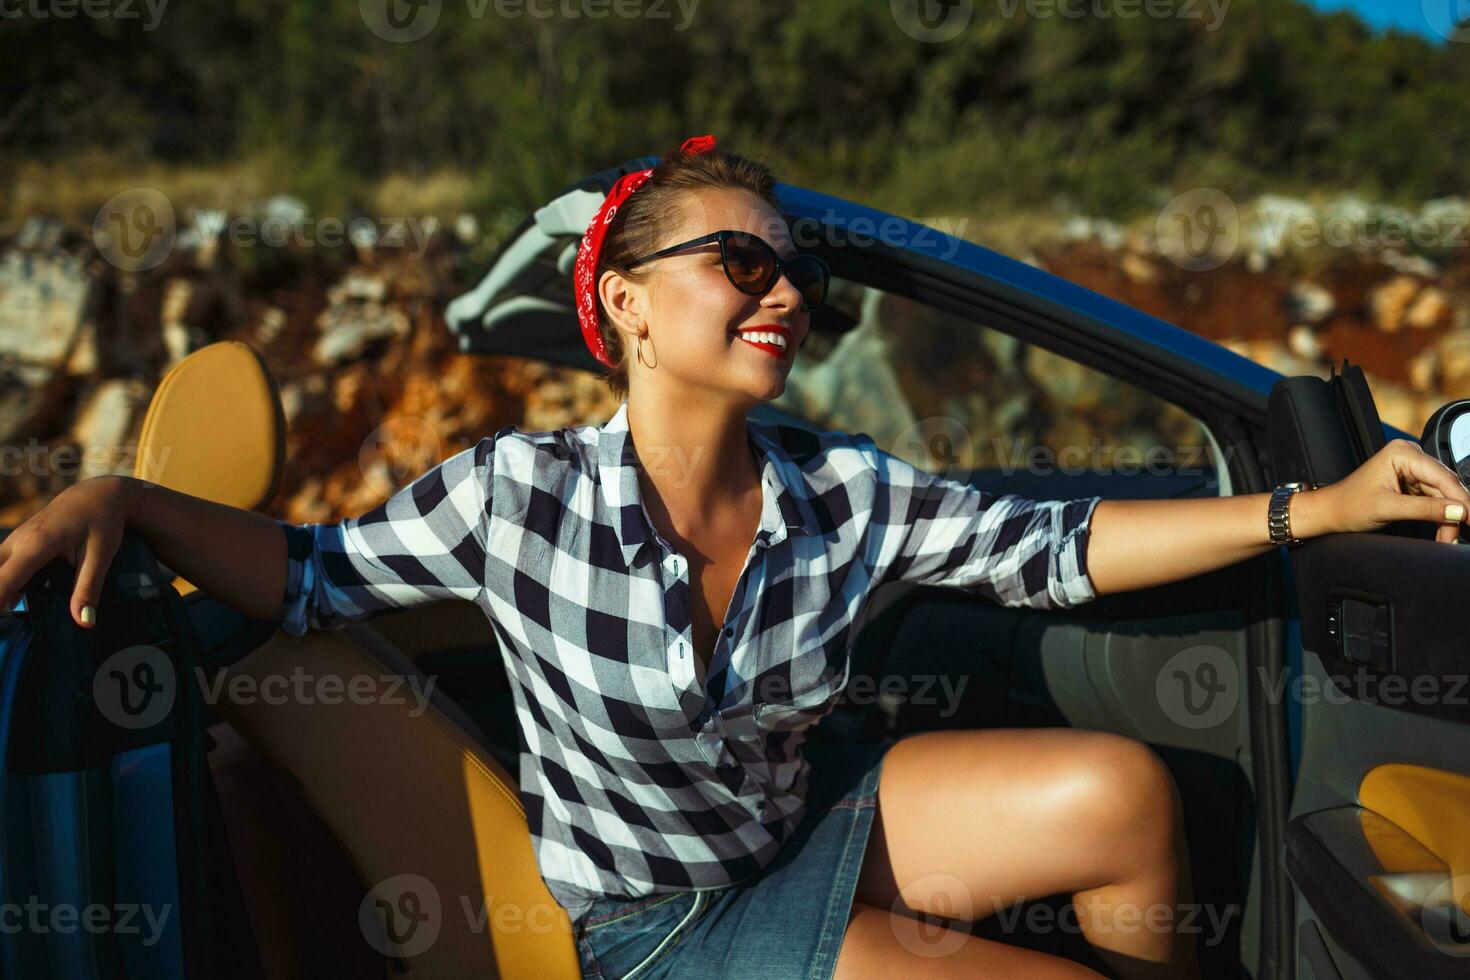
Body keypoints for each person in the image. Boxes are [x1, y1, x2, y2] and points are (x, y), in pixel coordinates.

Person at [1, 135, 1466, 980]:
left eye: (795, 276)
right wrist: (117, 499)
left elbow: (1054, 548)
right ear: (626, 307)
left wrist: (1316, 514)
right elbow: (310, 576)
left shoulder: (841, 492)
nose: (780, 297)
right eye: (740, 264)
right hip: (647, 931)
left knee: (1121, 786)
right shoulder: (515, 494)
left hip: (801, 825)